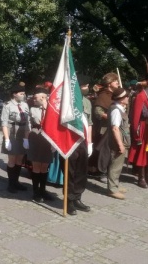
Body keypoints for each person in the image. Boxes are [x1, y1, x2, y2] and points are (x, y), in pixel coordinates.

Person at [60, 81, 93, 215]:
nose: (87, 88)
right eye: (85, 86)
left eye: (87, 86)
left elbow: (89, 123)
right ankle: (69, 201)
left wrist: (89, 142)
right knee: (70, 172)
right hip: (69, 140)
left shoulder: (87, 102)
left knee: (81, 171)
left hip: (83, 140)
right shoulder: (66, 101)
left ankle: (78, 198)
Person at [128, 73, 148, 188]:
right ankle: (141, 177)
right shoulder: (140, 96)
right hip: (143, 127)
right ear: (147, 81)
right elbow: (137, 115)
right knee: (142, 153)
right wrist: (135, 133)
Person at [97, 88, 130, 200]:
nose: (128, 98)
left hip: (120, 139)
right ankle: (112, 189)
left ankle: (115, 184)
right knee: (115, 165)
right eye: (126, 96)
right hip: (117, 140)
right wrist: (120, 145)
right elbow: (115, 128)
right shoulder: (116, 110)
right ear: (121, 99)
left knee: (118, 164)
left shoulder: (118, 108)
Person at [89, 73, 120, 180]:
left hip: (115, 126)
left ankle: (109, 170)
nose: (118, 83)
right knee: (104, 150)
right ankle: (101, 171)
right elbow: (98, 112)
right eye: (115, 81)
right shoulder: (103, 96)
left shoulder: (115, 94)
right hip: (104, 128)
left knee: (112, 150)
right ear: (109, 84)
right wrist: (110, 116)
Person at [1, 82, 30, 193]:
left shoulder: (25, 105)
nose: (23, 95)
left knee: (20, 159)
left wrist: (27, 138)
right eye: (21, 93)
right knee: (12, 159)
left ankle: (16, 182)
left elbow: (28, 122)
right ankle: (11, 183)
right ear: (14, 94)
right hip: (12, 132)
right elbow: (4, 123)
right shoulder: (7, 105)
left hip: (22, 133)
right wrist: (7, 139)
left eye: (24, 93)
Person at [28, 87, 54, 202]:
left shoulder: (52, 109)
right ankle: (36, 191)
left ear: (44, 97)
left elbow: (53, 121)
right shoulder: (33, 109)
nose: (34, 99)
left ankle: (43, 190)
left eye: (37, 97)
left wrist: (46, 107)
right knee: (36, 166)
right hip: (36, 137)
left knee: (44, 167)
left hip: (48, 138)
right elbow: (31, 124)